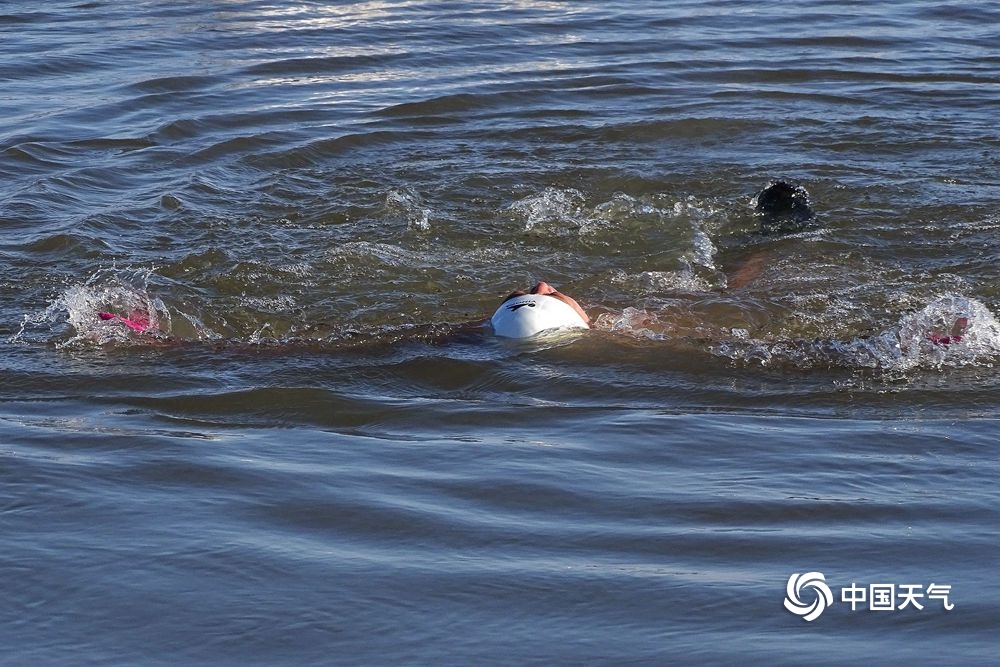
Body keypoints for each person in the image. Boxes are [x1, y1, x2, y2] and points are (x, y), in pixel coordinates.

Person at [490, 281, 590, 338]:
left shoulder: (513, 297)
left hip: (505, 329)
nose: (541, 284)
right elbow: (589, 324)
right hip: (512, 328)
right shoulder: (561, 299)